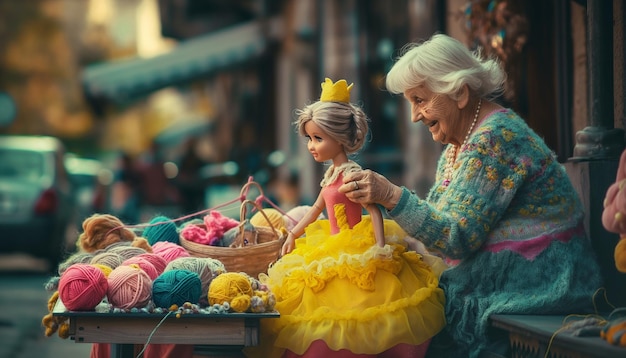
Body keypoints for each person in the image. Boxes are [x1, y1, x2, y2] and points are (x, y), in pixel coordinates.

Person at [338, 33, 603, 358]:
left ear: (460, 92)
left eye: (420, 100)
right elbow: (436, 225)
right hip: (507, 280)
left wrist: (390, 195)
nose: (413, 116)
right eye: (410, 103)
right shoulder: (460, 144)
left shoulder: (495, 139)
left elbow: (454, 236)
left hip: (541, 285)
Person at [246, 78, 446, 358]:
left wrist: (380, 246)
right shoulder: (330, 176)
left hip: (356, 244)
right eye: (309, 139)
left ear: (339, 139)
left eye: (318, 138)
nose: (312, 146)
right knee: (314, 304)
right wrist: (293, 233)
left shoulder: (352, 175)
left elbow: (373, 209)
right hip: (330, 239)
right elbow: (316, 209)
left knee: (357, 307)